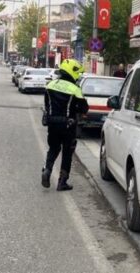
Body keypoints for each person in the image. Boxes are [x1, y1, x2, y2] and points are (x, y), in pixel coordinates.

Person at [42, 58, 89, 191]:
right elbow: (84, 108)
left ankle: (47, 170)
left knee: (53, 149)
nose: (78, 76)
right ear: (72, 72)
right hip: (68, 125)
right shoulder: (75, 89)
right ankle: (62, 182)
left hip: (52, 123)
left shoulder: (50, 85)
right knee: (67, 152)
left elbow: (47, 104)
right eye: (78, 73)